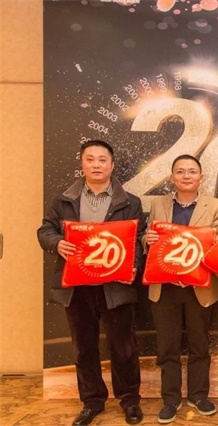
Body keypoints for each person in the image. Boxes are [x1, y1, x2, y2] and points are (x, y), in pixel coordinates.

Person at [37, 140, 145, 426]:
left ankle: (130, 400)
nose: (96, 165)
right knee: (83, 347)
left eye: (102, 160)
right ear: (82, 163)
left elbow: (137, 240)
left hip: (116, 285)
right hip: (77, 286)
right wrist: (56, 242)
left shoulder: (131, 202)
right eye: (90, 159)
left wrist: (133, 267)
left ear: (112, 164)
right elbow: (45, 229)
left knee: (123, 347)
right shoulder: (64, 200)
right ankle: (92, 402)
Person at [144, 154, 218, 424]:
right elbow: (149, 240)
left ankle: (199, 395)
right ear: (172, 177)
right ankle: (171, 399)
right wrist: (147, 239)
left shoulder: (216, 206)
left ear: (201, 177)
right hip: (164, 287)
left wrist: (188, 269)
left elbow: (217, 246)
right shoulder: (158, 204)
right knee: (167, 346)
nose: (186, 176)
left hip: (199, 288)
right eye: (180, 171)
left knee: (199, 344)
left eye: (192, 171)